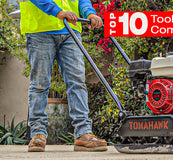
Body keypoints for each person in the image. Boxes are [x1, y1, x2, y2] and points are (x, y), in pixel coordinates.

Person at [19, 0, 107, 152]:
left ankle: (83, 133)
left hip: (70, 30)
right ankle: (37, 134)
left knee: (77, 82)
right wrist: (57, 12)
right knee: (40, 84)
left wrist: (90, 13)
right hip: (40, 29)